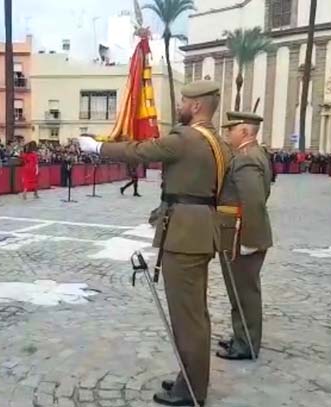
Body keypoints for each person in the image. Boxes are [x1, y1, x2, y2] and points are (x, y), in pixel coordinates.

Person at [77, 80, 230, 407]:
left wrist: (97, 147)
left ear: (197, 106)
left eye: (184, 101)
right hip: (200, 229)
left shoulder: (186, 138)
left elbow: (141, 150)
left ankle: (191, 390)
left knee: (187, 318)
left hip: (185, 235)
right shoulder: (216, 140)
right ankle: (190, 376)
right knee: (195, 313)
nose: (180, 106)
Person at [215, 111, 273, 361]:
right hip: (238, 232)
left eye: (232, 130)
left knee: (244, 292)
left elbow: (253, 201)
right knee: (239, 290)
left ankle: (246, 343)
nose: (228, 134)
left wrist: (249, 240)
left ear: (245, 132)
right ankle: (241, 336)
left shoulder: (246, 159)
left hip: (240, 235)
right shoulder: (251, 154)